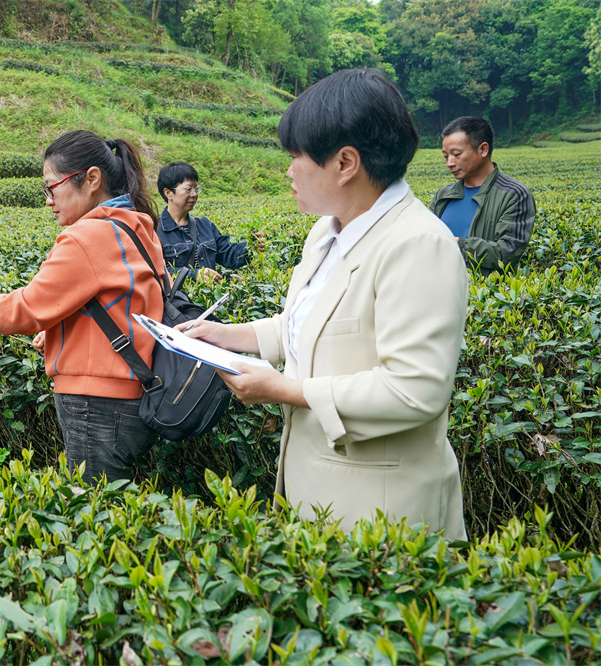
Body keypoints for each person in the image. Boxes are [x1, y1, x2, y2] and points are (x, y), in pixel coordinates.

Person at [182, 69, 469, 540]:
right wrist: (224, 335)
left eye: (297, 157)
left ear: (345, 163)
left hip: (380, 513)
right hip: (314, 490)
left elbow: (414, 388)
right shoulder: (327, 231)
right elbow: (311, 324)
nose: (289, 169)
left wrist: (283, 390)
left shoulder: (418, 244)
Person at [0, 130, 165, 485]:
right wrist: (59, 334)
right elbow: (119, 305)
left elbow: (29, 307)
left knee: (93, 510)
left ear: (92, 179)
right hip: (129, 395)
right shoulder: (136, 225)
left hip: (95, 402)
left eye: (52, 188)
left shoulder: (88, 236)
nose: (48, 201)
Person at [429, 116, 536, 275]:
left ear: (483, 149)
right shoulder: (443, 196)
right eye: (446, 156)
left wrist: (456, 243)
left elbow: (506, 254)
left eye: (456, 154)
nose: (449, 163)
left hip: (483, 296)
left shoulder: (514, 195)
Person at [155, 161, 252, 281]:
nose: (194, 194)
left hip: (207, 299)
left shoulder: (205, 226)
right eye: (188, 189)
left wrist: (251, 248)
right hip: (178, 299)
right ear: (168, 193)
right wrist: (194, 275)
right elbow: (157, 271)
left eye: (196, 189)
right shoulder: (155, 230)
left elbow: (227, 254)